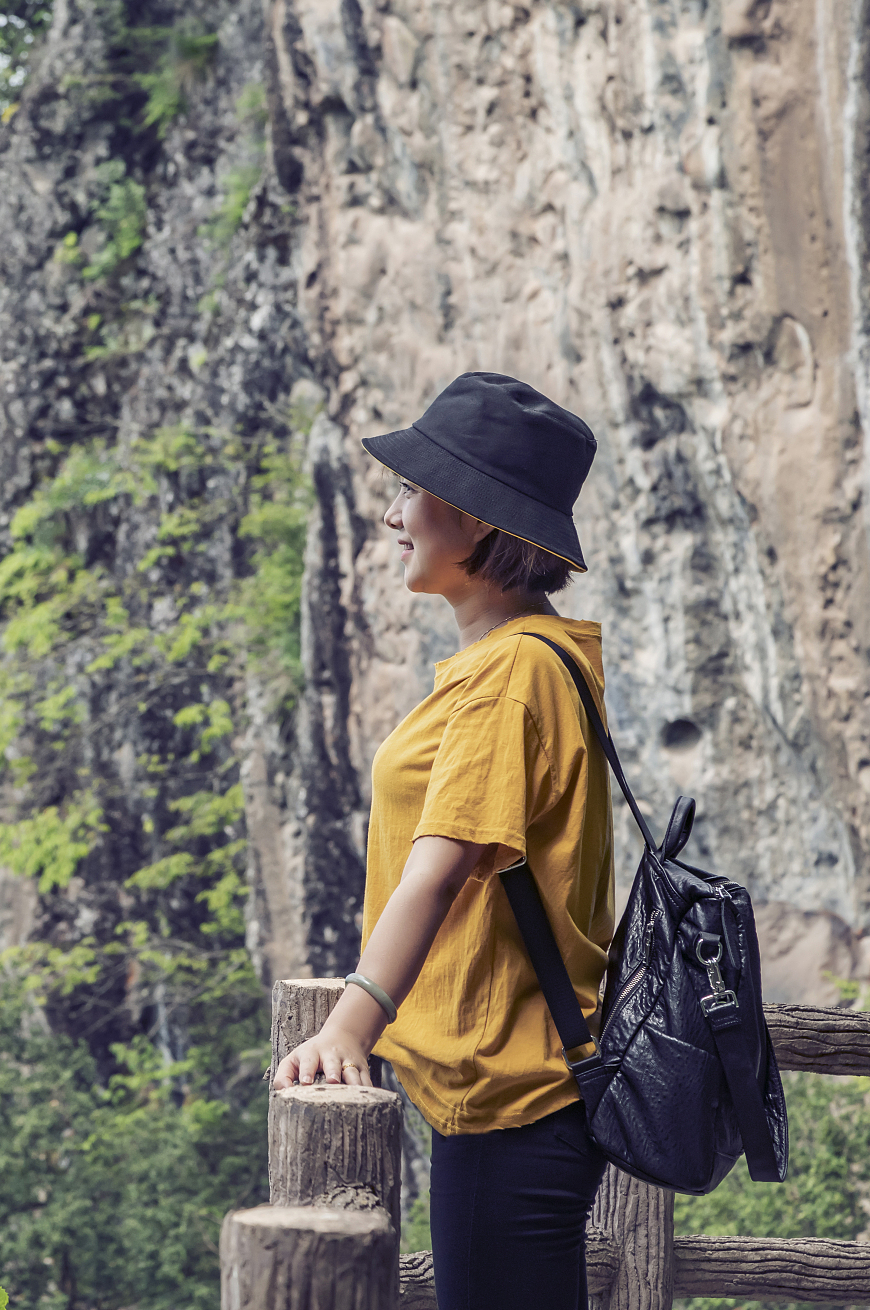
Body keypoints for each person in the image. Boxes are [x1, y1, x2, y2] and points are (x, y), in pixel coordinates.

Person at [271, 372, 614, 1310]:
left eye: (412, 492)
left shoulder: (508, 677)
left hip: (515, 1103)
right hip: (516, 1095)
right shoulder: (532, 656)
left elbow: (439, 872)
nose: (392, 516)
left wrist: (351, 1024)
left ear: (474, 521)